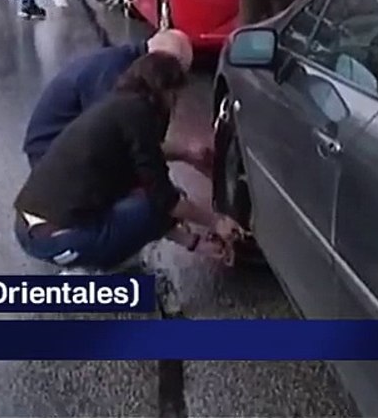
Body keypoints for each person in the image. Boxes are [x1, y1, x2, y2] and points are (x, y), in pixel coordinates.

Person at [13, 52, 248, 272]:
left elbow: (154, 193)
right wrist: (216, 222)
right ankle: (88, 266)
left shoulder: (117, 107)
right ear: (165, 90)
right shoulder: (139, 116)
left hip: (30, 229)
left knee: (149, 199)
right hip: (56, 239)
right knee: (157, 204)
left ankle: (88, 252)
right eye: (175, 95)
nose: (175, 104)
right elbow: (165, 202)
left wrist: (195, 243)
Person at [23, 28, 204, 168]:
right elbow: (120, 141)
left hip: (65, 146)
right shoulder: (112, 74)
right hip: (50, 150)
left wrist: (185, 153)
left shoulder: (134, 71)